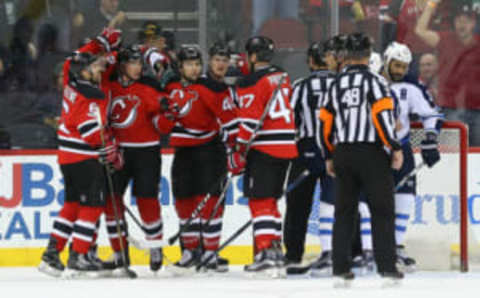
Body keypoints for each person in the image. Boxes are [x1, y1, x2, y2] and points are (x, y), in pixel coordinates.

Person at [318, 32, 404, 285]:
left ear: (346, 55)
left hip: (343, 151)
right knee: (382, 210)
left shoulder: (336, 83)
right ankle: (387, 268)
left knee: (344, 212)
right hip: (371, 153)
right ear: (368, 54)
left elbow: (325, 122)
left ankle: (340, 269)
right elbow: (382, 117)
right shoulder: (376, 82)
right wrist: (394, 147)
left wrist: (328, 154)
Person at [38, 29, 122, 278]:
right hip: (84, 157)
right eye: (94, 67)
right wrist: (108, 148)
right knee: (92, 206)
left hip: (67, 156)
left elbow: (71, 60)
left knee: (72, 204)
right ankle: (79, 255)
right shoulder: (91, 94)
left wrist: (101, 45)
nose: (99, 70)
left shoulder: (71, 83)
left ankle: (51, 255)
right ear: (84, 71)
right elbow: (89, 130)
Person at [165, 45, 238, 274]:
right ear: (181, 67)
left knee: (210, 205)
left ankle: (210, 254)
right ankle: (189, 253)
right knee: (185, 203)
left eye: (197, 64)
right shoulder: (170, 88)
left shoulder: (213, 88)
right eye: (189, 64)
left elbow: (230, 121)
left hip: (210, 151)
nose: (194, 69)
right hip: (183, 154)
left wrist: (235, 150)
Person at [103, 44, 173, 273]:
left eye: (139, 63)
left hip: (146, 152)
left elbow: (161, 123)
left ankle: (155, 246)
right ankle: (119, 253)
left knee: (147, 200)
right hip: (117, 151)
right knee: (112, 202)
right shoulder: (108, 86)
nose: (138, 68)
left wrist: (168, 115)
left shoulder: (148, 86)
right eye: (132, 63)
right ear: (122, 65)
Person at [233, 36, 297, 275]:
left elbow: (249, 122)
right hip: (287, 147)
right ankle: (275, 248)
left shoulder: (251, 80)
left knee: (260, 200)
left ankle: (264, 251)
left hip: (265, 148)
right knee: (271, 199)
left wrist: (239, 149)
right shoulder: (282, 76)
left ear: (251, 57)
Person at [381, 41, 442, 271]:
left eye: (404, 67)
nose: (400, 71)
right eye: (396, 65)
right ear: (386, 62)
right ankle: (366, 249)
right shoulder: (373, 84)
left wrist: (429, 139)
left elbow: (432, 114)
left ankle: (395, 247)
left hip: (402, 148)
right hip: (374, 151)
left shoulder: (411, 88)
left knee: (405, 196)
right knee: (369, 201)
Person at [283, 38, 338, 276]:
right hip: (336, 152)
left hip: (305, 152)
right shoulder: (341, 83)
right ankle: (347, 253)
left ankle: (293, 255)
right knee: (340, 205)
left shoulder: (300, 86)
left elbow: (288, 120)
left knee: (297, 206)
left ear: (310, 62)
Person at [415, 0, 480, 145]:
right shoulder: (444, 39)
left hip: (477, 109)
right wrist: (431, 4)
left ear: (473, 24)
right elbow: (420, 30)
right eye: (459, 20)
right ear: (454, 22)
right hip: (451, 108)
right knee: (453, 156)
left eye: (466, 21)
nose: (462, 24)